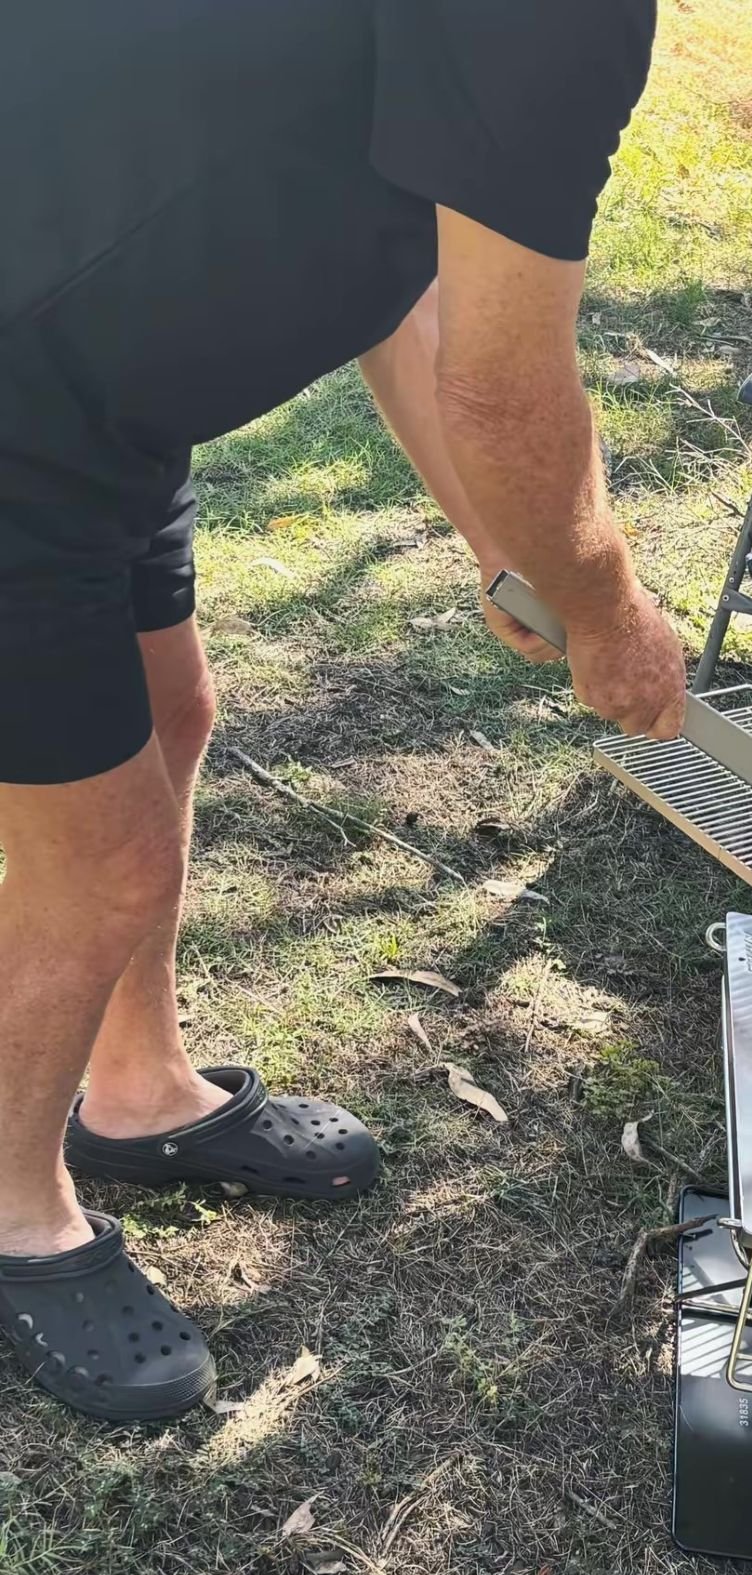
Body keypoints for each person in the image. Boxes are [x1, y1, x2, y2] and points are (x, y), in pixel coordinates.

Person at [0, 0, 683, 1421]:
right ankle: (12, 1204)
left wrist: (507, 551)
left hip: (96, 379)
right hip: (21, 400)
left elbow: (401, 278)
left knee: (171, 713)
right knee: (102, 859)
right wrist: (605, 607)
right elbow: (505, 385)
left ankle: (135, 1089)